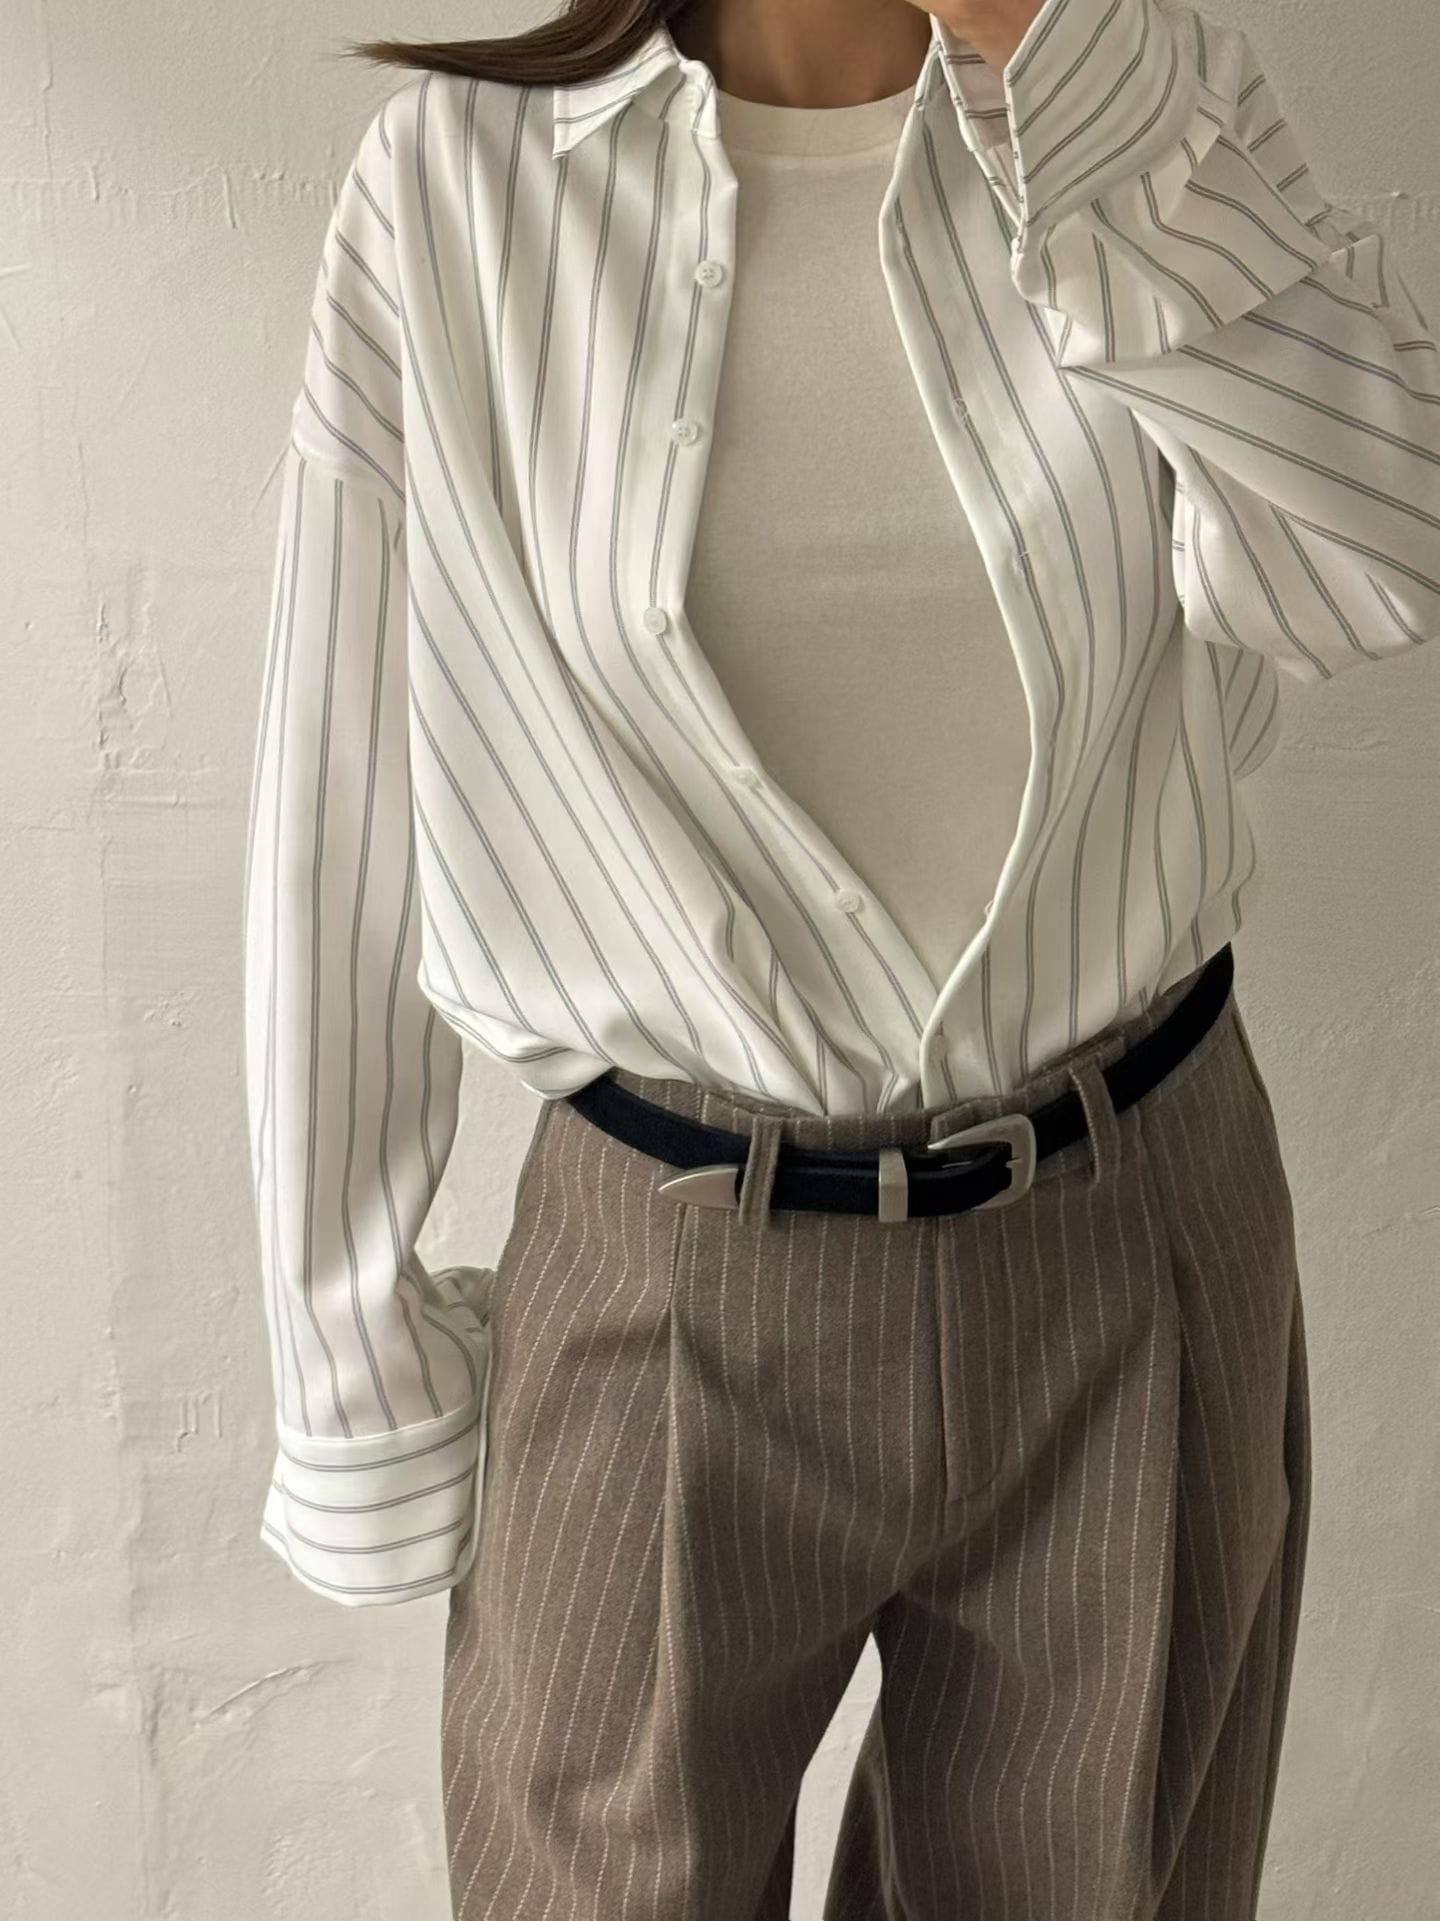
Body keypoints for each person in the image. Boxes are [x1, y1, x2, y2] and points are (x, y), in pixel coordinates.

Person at [241, 0, 1439, 1913]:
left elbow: (1380, 554)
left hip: (1125, 1254)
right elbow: (344, 787)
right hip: (664, 1287)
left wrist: (1081, 91)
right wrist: (349, 1355)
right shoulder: (458, 187)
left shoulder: (1151, 107)